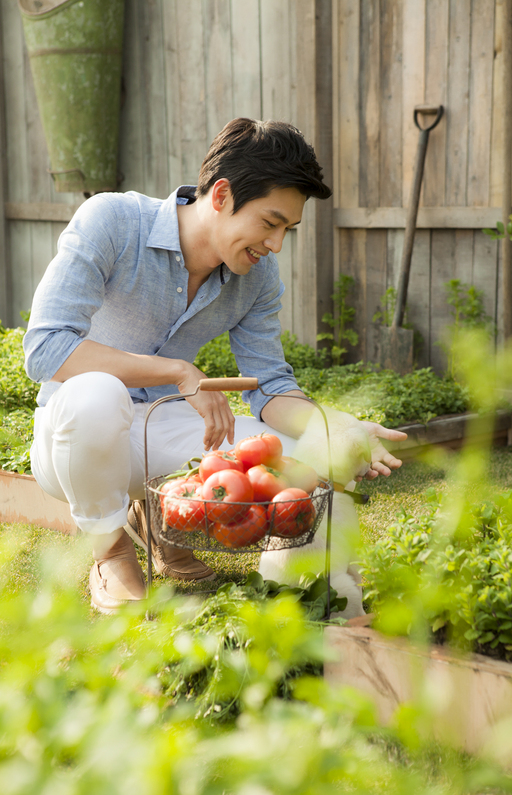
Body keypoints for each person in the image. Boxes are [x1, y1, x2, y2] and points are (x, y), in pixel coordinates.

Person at [24, 118, 406, 614]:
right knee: (98, 395)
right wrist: (176, 371)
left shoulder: (258, 277)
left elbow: (269, 386)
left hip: (161, 429)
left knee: (306, 452)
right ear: (221, 195)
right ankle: (111, 551)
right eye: (270, 224)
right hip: (73, 440)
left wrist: (334, 427)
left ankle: (302, 583)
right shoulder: (112, 221)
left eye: (287, 230)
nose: (276, 245)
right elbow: (46, 348)